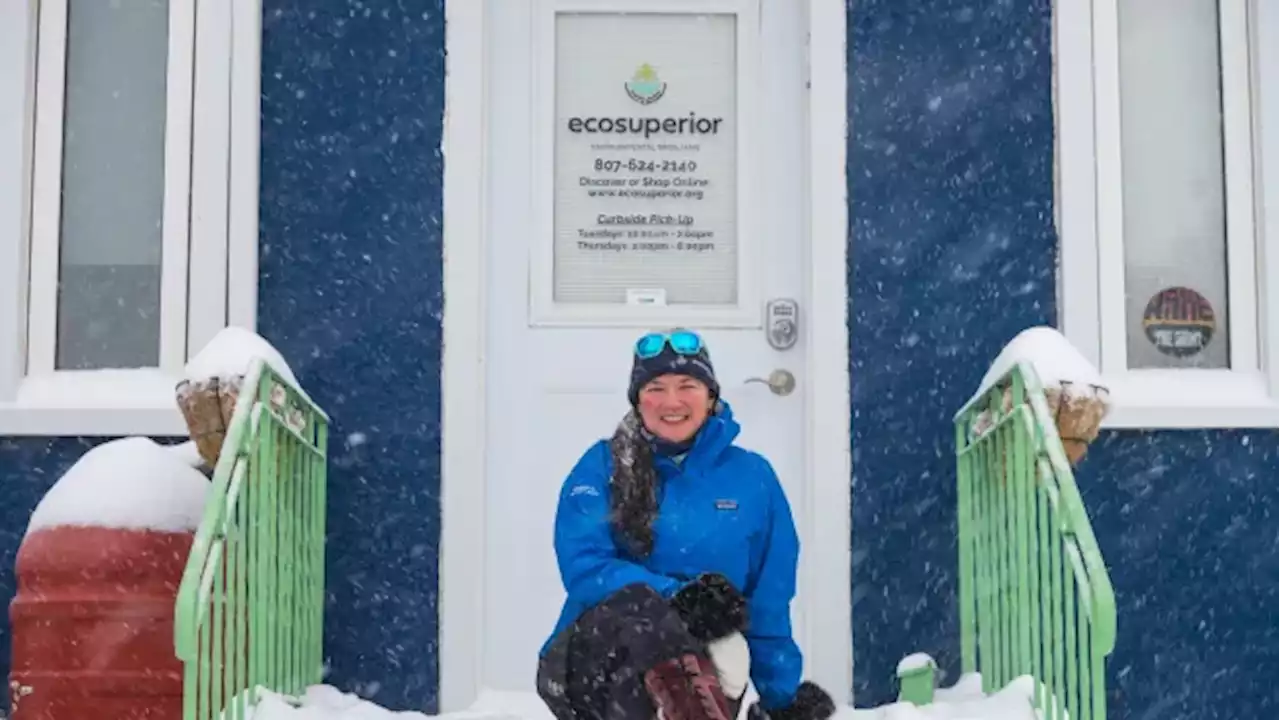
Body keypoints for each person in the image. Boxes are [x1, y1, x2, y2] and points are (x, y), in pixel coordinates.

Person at [535, 329, 838, 720]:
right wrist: (679, 598)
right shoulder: (601, 467)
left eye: (687, 385)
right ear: (637, 400)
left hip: (708, 668)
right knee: (641, 610)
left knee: (719, 650)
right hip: (593, 664)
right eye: (655, 388)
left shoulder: (753, 479)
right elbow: (585, 567)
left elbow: (770, 596)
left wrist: (781, 698)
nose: (671, 401)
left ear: (711, 397)